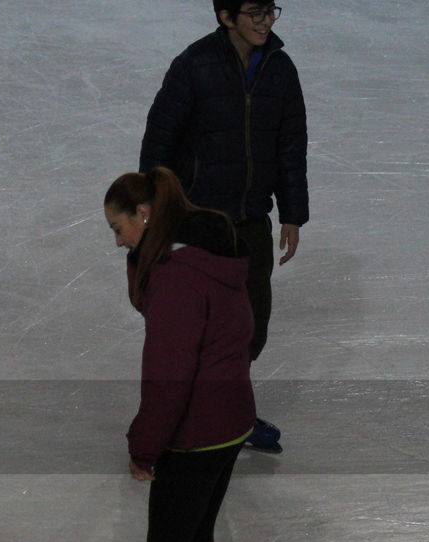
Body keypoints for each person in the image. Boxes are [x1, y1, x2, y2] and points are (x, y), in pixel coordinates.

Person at [68, 168, 255, 542]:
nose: (117, 240)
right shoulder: (209, 258)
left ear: (144, 216)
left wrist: (145, 448)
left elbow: (169, 381)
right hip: (231, 424)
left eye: (117, 227)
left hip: (195, 436)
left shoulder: (176, 280)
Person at [138, 0, 307, 453]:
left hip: (251, 220)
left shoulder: (280, 70)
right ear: (225, 16)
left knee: (250, 328)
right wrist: (157, 212)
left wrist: (292, 212)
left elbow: (291, 145)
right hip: (198, 223)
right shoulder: (194, 66)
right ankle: (186, 418)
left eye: (270, 11)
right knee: (193, 332)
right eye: (254, 12)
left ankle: (229, 412)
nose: (265, 22)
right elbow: (160, 140)